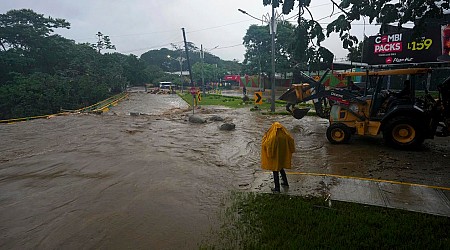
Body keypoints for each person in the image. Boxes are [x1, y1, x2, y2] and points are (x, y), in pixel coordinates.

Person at [261, 122, 295, 192]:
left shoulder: (272, 137)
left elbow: (267, 146)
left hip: (275, 157)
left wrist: (269, 155)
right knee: (281, 169)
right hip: (282, 156)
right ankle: (285, 183)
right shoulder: (285, 135)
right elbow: (291, 141)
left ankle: (277, 188)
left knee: (275, 171)